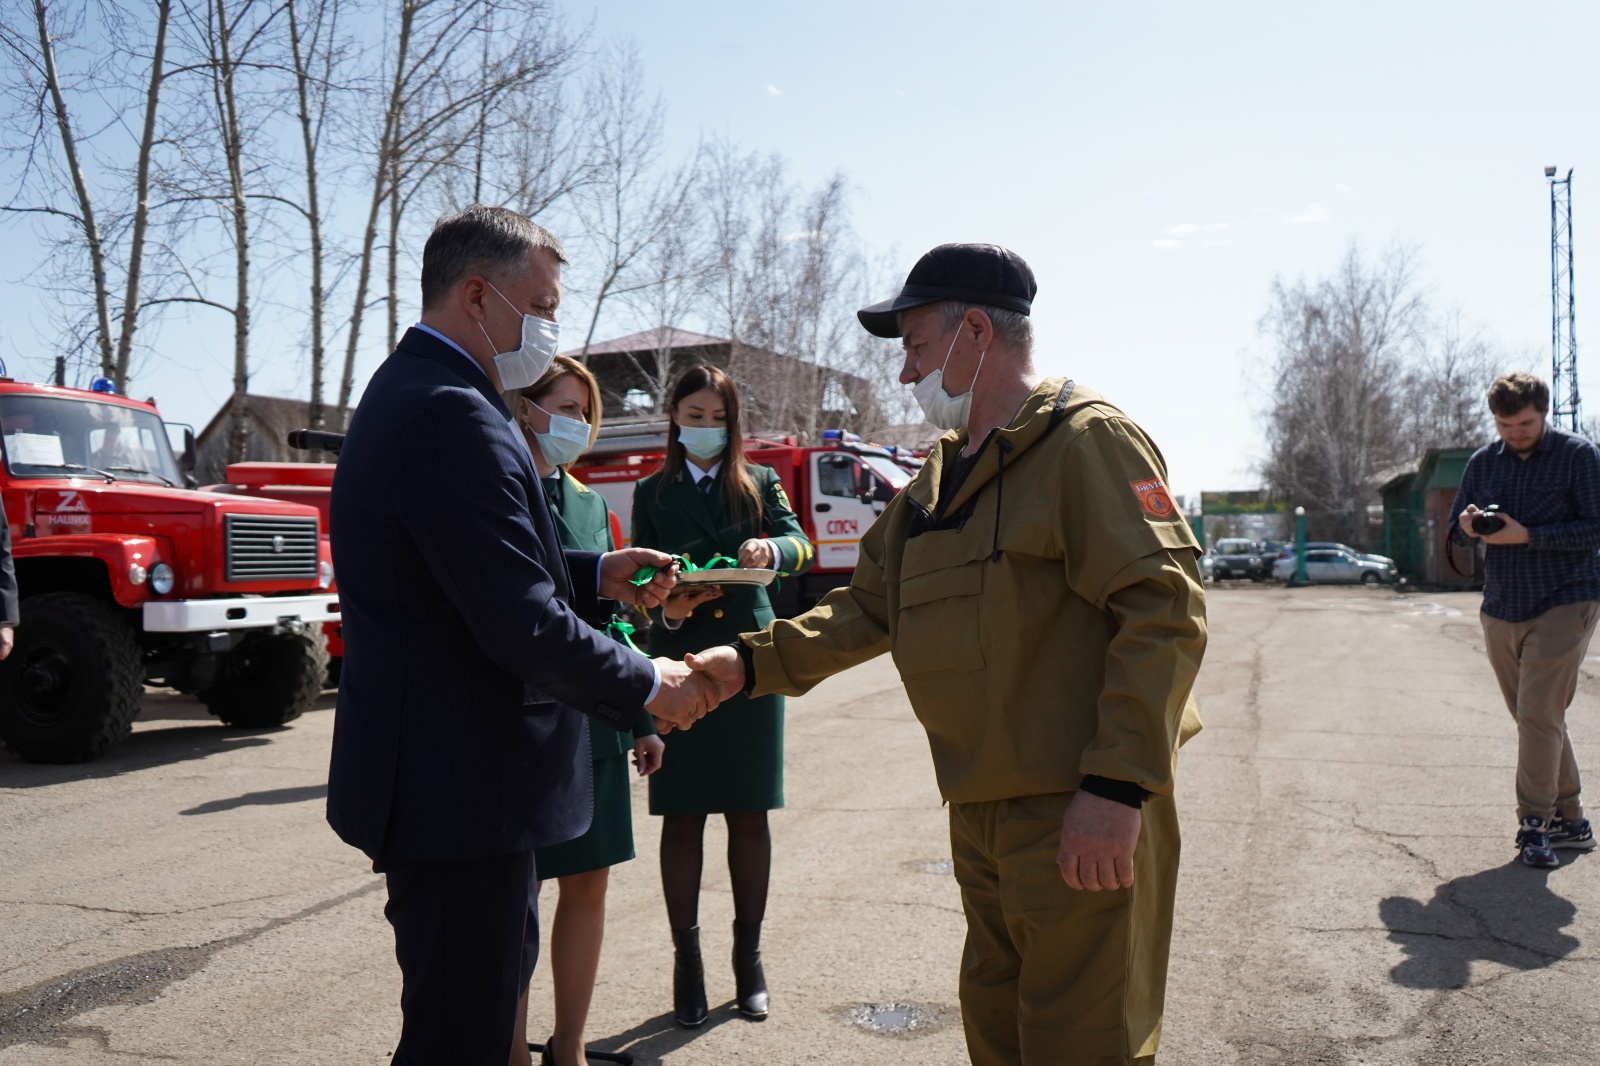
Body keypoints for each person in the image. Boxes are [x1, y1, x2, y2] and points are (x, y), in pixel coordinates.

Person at [686, 244, 1207, 1065]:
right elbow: (865, 609)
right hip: (983, 810)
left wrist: (1117, 788)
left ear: (975, 331)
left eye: (916, 347)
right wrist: (741, 666)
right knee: (998, 1037)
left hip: (1079, 803)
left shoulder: (1087, 443)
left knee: (1083, 1043)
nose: (904, 374)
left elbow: (1165, 612)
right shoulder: (938, 477)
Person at [325, 204, 717, 1066]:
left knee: (460, 1021)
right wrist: (653, 684)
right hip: (460, 790)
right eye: (540, 308)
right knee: (458, 1039)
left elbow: (457, 575)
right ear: (476, 296)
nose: (549, 328)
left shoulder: (430, 394)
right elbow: (517, 622)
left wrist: (593, 572)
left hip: (450, 786)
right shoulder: (449, 414)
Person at [631, 364, 815, 1027]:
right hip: (680, 660)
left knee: (749, 812)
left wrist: (772, 549)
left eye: (718, 418)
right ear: (674, 418)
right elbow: (641, 583)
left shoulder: (760, 482)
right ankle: (689, 966)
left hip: (750, 661)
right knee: (681, 816)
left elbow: (803, 544)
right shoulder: (652, 490)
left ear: (734, 425)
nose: (705, 428)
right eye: (694, 415)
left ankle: (750, 959)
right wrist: (672, 611)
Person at [504, 355, 667, 1066]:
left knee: (588, 887)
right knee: (517, 900)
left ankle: (568, 1049)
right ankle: (508, 1048)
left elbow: (610, 623)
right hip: (527, 723)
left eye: (583, 410)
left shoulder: (592, 504)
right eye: (561, 406)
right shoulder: (502, 486)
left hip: (594, 718)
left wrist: (641, 718)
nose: (575, 422)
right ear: (525, 408)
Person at [1452, 372, 1600, 868]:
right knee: (1537, 716)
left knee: (1538, 714)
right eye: (1505, 424)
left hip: (1566, 598)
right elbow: (1458, 522)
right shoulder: (1481, 462)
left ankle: (1534, 825)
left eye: (1525, 423)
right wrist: (1469, 526)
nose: (1515, 432)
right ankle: (1573, 820)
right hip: (1502, 603)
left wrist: (1527, 535)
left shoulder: (1578, 456)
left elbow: (1593, 528)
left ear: (1544, 413)